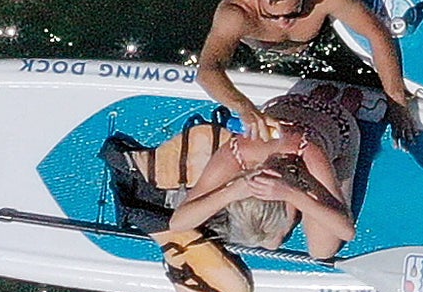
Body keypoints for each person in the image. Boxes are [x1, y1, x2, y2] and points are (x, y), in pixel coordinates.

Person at [156, 77, 376, 269]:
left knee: (322, 251)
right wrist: (231, 192)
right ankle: (319, 98)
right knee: (270, 241)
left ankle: (343, 106)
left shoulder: (308, 154)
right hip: (287, 113)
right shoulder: (237, 152)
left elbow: (346, 231)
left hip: (333, 126)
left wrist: (295, 194)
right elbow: (178, 223)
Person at [194, 0, 419, 132]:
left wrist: (396, 99)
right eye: (272, 16)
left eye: (293, 13)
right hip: (266, 59)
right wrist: (244, 107)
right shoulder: (236, 14)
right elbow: (207, 70)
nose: (283, 23)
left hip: (320, 45)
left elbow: (377, 33)